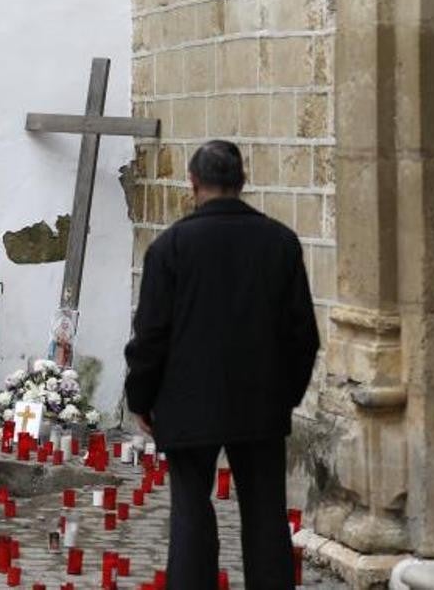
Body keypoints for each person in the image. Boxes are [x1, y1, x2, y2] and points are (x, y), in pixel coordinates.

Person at [124, 139, 320, 590]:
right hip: (261, 401)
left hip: (187, 400)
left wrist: (142, 398)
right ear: (242, 182)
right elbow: (302, 335)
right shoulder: (280, 242)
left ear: (192, 182)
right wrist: (285, 394)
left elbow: (151, 334)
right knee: (266, 516)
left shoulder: (170, 248)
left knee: (191, 511)